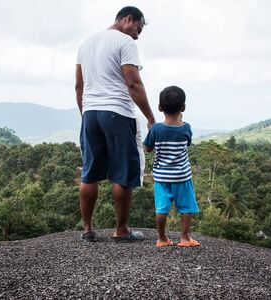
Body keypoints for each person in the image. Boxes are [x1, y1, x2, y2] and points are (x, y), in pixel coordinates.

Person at [75, 6, 156, 242]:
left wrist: (86, 114)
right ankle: (121, 230)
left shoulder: (86, 44)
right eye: (138, 29)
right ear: (128, 19)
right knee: (122, 173)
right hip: (118, 112)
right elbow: (133, 84)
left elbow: (79, 86)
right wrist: (151, 118)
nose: (137, 35)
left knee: (89, 173)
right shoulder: (125, 42)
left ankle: (88, 229)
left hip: (90, 113)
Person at [143, 86, 200, 247]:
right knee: (186, 207)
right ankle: (184, 238)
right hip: (182, 176)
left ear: (160, 107)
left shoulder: (156, 129)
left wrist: (151, 131)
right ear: (183, 108)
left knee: (161, 208)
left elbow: (148, 148)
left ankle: (162, 239)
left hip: (161, 178)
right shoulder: (185, 128)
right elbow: (188, 143)